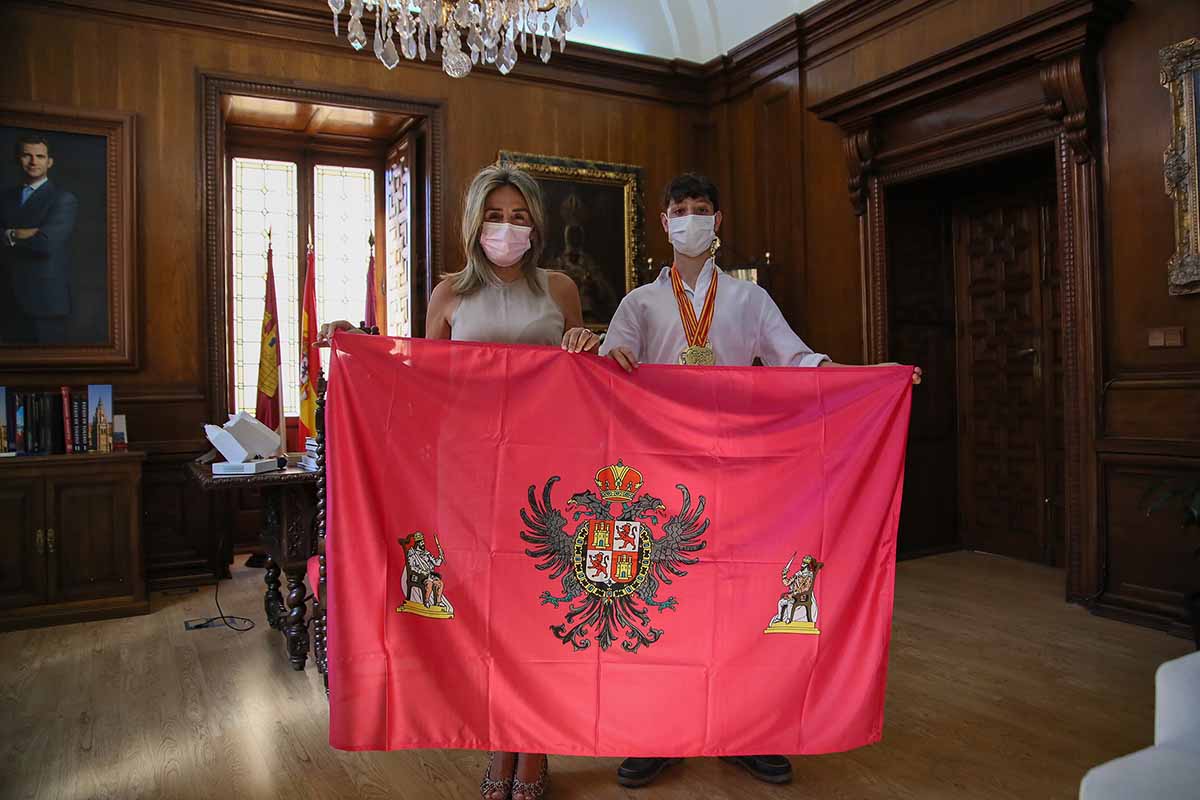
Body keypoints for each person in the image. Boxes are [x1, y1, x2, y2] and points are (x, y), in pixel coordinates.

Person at [594, 172, 921, 789]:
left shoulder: (750, 301)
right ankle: (657, 732)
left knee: (740, 601)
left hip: (740, 470)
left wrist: (868, 379)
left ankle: (747, 730)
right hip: (660, 470)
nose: (689, 219)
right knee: (665, 600)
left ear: (718, 221)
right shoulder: (638, 303)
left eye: (701, 209)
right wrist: (608, 356)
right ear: (664, 223)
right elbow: (611, 374)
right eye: (678, 210)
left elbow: (797, 363)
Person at [320, 163, 601, 800]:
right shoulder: (448, 293)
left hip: (543, 477)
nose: (508, 227)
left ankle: (532, 749)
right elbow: (420, 381)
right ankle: (497, 738)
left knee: (537, 611)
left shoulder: (559, 290)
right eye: (495, 215)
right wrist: (359, 346)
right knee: (485, 617)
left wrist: (585, 344)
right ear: (476, 223)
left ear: (536, 222)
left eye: (519, 215)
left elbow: (576, 380)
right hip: (468, 475)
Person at [0, 134, 79, 344]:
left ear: (49, 162)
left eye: (40, 156)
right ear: (18, 159)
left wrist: (9, 233)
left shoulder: (63, 199)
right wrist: (24, 232)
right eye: (27, 155)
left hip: (44, 303)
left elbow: (46, 243)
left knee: (45, 373)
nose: (33, 161)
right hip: (6, 299)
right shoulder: (5, 198)